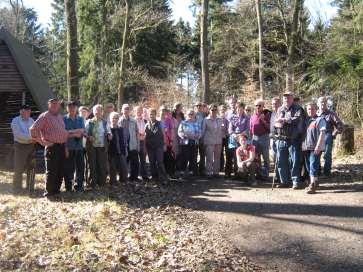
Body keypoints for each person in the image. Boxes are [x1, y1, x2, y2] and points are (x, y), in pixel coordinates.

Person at [30, 98, 81, 197]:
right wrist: (42, 142)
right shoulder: (45, 116)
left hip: (61, 146)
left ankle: (56, 191)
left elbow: (63, 134)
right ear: (49, 105)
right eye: (52, 104)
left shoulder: (59, 117)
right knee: (52, 170)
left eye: (57, 104)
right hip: (52, 147)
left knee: (60, 170)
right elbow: (33, 129)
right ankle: (49, 193)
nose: (55, 106)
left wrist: (67, 145)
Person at [274, 91, 305, 189]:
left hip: (294, 139)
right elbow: (277, 121)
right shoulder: (280, 109)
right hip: (281, 138)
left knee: (295, 161)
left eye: (288, 98)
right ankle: (284, 181)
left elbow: (297, 119)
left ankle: (295, 181)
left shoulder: (298, 108)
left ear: (292, 98)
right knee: (281, 161)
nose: (286, 100)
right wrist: (277, 126)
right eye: (285, 98)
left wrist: (285, 120)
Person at [302, 102, 326, 194]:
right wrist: (302, 145)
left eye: (312, 109)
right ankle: (315, 182)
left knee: (313, 165)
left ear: (316, 110)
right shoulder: (306, 121)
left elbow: (322, 133)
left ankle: (312, 186)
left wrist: (318, 146)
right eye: (308, 109)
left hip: (315, 148)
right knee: (309, 167)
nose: (310, 110)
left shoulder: (320, 120)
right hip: (306, 147)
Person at [86, 104, 112, 188]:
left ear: (102, 112)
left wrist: (109, 135)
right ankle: (93, 183)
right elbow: (84, 133)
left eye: (100, 111)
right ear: (93, 112)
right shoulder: (89, 122)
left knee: (102, 165)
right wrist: (88, 136)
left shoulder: (105, 122)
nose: (98, 112)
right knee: (92, 165)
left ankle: (102, 182)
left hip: (102, 147)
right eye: (96, 111)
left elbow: (109, 131)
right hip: (92, 146)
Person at [11, 104, 35, 192]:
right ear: (21, 111)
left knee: (31, 167)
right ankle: (17, 188)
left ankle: (30, 187)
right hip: (20, 146)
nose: (27, 113)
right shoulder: (15, 121)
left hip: (31, 146)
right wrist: (31, 138)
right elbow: (18, 135)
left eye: (28, 112)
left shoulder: (31, 120)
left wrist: (33, 138)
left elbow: (34, 131)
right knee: (18, 167)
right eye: (25, 112)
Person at [317, 96, 343, 176]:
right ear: (318, 104)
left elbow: (340, 124)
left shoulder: (331, 114)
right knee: (316, 154)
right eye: (321, 102)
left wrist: (335, 133)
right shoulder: (316, 113)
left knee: (327, 155)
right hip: (317, 137)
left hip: (327, 136)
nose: (323, 103)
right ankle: (317, 172)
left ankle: (326, 173)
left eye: (324, 102)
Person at [63, 101, 86, 192]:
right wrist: (75, 133)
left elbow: (82, 131)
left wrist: (70, 131)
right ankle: (68, 187)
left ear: (76, 108)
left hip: (79, 147)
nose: (72, 109)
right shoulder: (63, 119)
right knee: (69, 169)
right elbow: (63, 134)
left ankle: (79, 186)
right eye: (70, 107)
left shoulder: (80, 119)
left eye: (74, 107)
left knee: (80, 168)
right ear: (67, 108)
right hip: (69, 147)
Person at [226, 101, 250, 178]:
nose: (239, 110)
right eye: (238, 109)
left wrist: (240, 136)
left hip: (242, 139)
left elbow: (247, 129)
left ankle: (239, 174)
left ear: (243, 109)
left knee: (240, 156)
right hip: (233, 139)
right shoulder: (232, 117)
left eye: (241, 109)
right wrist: (234, 135)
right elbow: (230, 129)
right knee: (231, 156)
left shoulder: (246, 118)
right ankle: (228, 173)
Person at [145, 108, 168, 182]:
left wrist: (164, 144)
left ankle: (163, 177)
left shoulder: (160, 123)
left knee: (160, 162)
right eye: (150, 114)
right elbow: (145, 136)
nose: (151, 116)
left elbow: (164, 134)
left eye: (153, 114)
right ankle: (154, 177)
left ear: (155, 115)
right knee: (152, 162)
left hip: (159, 146)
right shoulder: (146, 125)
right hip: (150, 147)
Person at [250, 99, 271, 180]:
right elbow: (251, 128)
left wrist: (263, 120)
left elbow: (269, 128)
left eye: (260, 105)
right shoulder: (252, 116)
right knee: (256, 157)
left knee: (265, 157)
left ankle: (265, 175)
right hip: (255, 138)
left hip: (264, 137)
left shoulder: (267, 115)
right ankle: (258, 173)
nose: (258, 107)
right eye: (256, 105)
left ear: (263, 106)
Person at [202, 104, 224, 177]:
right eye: (212, 110)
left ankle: (216, 172)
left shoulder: (220, 119)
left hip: (218, 141)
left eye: (215, 110)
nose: (214, 111)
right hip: (209, 141)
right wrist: (202, 141)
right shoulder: (205, 120)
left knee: (217, 158)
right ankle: (208, 172)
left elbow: (223, 130)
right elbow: (203, 131)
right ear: (209, 110)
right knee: (209, 157)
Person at [178, 109, 201, 178]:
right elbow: (179, 132)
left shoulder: (197, 123)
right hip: (185, 142)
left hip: (194, 142)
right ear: (186, 115)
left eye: (192, 114)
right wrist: (184, 136)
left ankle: (191, 172)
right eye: (189, 114)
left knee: (193, 158)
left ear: (194, 115)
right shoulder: (183, 122)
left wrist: (196, 136)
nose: (190, 115)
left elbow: (200, 132)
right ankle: (182, 172)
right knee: (184, 157)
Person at [119, 104, 140, 181]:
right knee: (124, 163)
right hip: (123, 145)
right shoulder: (119, 121)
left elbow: (137, 133)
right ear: (122, 110)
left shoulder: (134, 121)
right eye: (125, 109)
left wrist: (138, 145)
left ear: (130, 111)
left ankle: (134, 177)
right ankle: (123, 178)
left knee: (135, 162)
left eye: (128, 109)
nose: (126, 110)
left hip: (132, 143)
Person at [108, 111, 128, 185]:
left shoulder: (121, 129)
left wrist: (124, 150)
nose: (115, 119)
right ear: (110, 119)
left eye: (116, 118)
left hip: (121, 151)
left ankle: (123, 181)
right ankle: (113, 182)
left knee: (124, 168)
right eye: (113, 118)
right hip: (112, 152)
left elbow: (124, 140)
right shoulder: (108, 129)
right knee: (112, 168)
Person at [160, 106, 176, 177]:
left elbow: (172, 130)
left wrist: (172, 140)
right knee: (161, 158)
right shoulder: (157, 120)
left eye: (164, 111)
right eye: (162, 110)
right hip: (159, 143)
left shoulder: (168, 120)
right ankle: (162, 173)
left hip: (168, 142)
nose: (163, 112)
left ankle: (169, 173)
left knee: (168, 158)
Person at [134, 105, 148, 180]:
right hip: (136, 142)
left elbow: (147, 131)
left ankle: (144, 175)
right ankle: (136, 176)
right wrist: (138, 134)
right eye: (137, 110)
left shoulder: (145, 121)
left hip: (143, 141)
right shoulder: (133, 120)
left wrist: (144, 135)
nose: (139, 112)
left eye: (140, 110)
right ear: (135, 112)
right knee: (135, 160)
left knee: (143, 160)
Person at [195, 102, 206, 176]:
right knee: (195, 154)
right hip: (195, 137)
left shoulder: (205, 115)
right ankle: (195, 170)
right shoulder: (193, 114)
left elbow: (205, 126)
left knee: (202, 154)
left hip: (202, 137)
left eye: (200, 106)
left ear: (202, 107)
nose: (199, 107)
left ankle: (201, 169)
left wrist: (201, 135)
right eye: (197, 106)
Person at [219, 104, 229, 171]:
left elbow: (229, 128)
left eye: (224, 110)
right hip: (219, 137)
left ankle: (228, 167)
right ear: (220, 111)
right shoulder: (218, 118)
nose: (223, 111)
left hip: (227, 137)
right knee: (220, 152)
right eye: (221, 110)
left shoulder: (227, 118)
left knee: (228, 152)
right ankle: (221, 167)